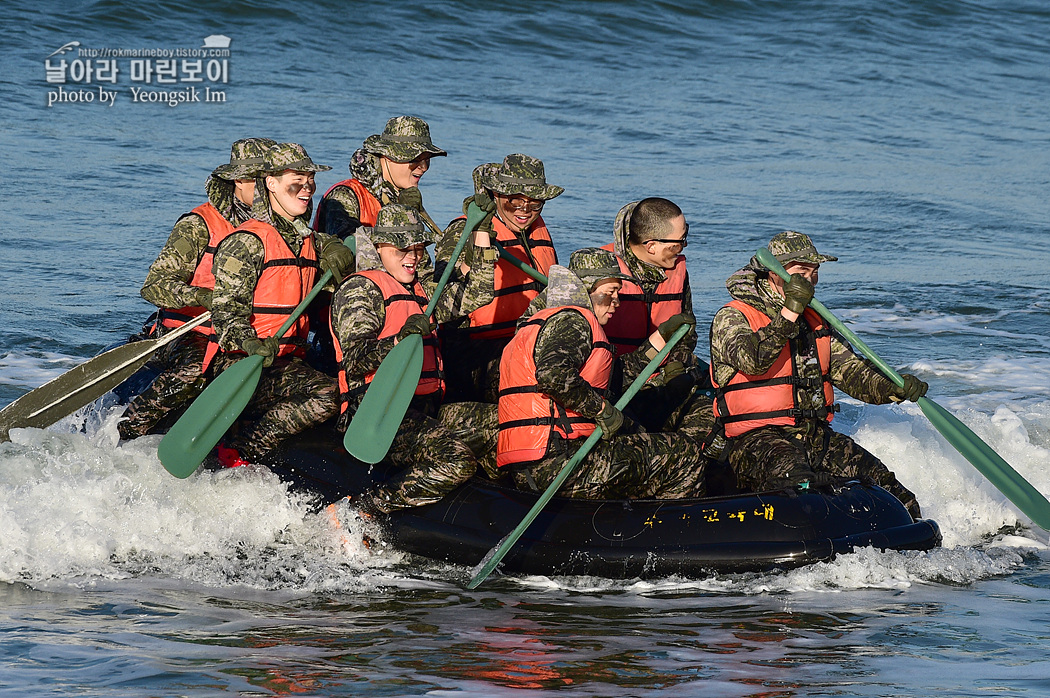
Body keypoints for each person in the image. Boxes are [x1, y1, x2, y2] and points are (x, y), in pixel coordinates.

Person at [708, 231, 926, 517]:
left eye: (815, 272)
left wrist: (892, 388)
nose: (810, 280)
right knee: (800, 491)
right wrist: (789, 312)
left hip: (814, 436)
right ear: (774, 274)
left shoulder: (815, 320)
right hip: (755, 440)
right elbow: (753, 361)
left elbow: (851, 372)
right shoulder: (733, 316)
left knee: (890, 493)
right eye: (801, 272)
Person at [496, 247, 707, 500]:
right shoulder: (573, 322)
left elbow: (616, 378)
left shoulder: (546, 321)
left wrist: (660, 339)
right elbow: (553, 376)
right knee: (684, 453)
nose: (617, 301)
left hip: (534, 461)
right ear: (586, 291)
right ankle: (671, 527)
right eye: (610, 293)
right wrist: (603, 412)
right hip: (560, 462)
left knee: (643, 435)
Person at [330, 204, 498, 515]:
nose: (413, 256)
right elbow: (356, 359)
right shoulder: (360, 289)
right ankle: (365, 509)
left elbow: (479, 294)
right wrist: (400, 338)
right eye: (403, 248)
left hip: (425, 409)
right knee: (455, 457)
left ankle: (491, 505)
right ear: (380, 246)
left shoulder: (422, 292)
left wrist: (483, 234)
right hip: (376, 414)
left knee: (503, 426)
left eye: (419, 248)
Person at [206, 142, 354, 466]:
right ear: (270, 183)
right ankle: (244, 449)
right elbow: (225, 311)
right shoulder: (247, 242)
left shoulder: (306, 238)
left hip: (289, 360)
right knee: (328, 395)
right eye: (297, 179)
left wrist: (336, 247)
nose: (307, 187)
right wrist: (249, 342)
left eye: (310, 179)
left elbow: (320, 243)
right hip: (246, 365)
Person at [119, 137, 275, 440]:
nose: (267, 190)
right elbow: (154, 287)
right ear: (238, 180)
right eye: (261, 181)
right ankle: (126, 430)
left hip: (248, 335)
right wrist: (202, 296)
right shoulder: (198, 225)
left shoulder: (281, 228)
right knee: (192, 373)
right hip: (191, 332)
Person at [436, 154, 563, 403]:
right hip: (473, 354)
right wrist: (473, 259)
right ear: (497, 195)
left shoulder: (537, 232)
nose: (524, 210)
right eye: (515, 200)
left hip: (525, 341)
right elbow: (441, 299)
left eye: (535, 202)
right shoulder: (463, 231)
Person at [601, 198, 714, 438]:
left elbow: (687, 332)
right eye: (678, 243)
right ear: (651, 245)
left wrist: (677, 363)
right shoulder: (601, 273)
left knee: (710, 420)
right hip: (616, 386)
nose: (683, 247)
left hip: (663, 379)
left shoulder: (677, 272)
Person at [313, 116, 447, 240]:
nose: (423, 167)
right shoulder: (344, 196)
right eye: (415, 159)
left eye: (427, 160)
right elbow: (349, 246)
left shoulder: (402, 198)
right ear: (388, 156)